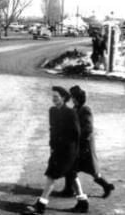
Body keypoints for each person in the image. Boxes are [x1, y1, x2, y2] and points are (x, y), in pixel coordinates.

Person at [23, 87, 81, 215]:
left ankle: (41, 205)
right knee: (71, 174)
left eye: (56, 97)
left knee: (51, 176)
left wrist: (71, 151)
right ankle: (83, 202)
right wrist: (52, 144)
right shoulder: (52, 111)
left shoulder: (71, 113)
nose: (53, 99)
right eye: (53, 97)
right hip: (57, 148)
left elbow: (76, 134)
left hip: (68, 150)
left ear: (64, 98)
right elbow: (52, 129)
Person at [57, 85, 114, 210]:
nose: (71, 99)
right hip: (79, 145)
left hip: (84, 146)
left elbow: (88, 130)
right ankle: (69, 190)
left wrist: (75, 137)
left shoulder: (85, 110)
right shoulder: (76, 108)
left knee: (89, 170)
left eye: (73, 97)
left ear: (77, 98)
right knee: (72, 168)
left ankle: (106, 186)